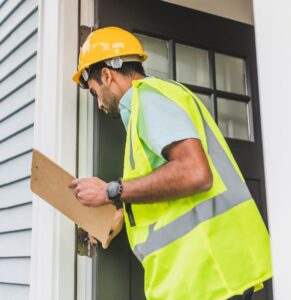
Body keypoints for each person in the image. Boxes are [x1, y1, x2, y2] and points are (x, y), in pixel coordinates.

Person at [70, 27, 272, 300]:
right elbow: (170, 187)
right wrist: (121, 215)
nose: (99, 104)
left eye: (95, 92)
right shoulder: (154, 101)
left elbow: (195, 173)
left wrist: (110, 191)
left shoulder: (150, 100)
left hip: (209, 275)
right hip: (206, 274)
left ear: (106, 75)